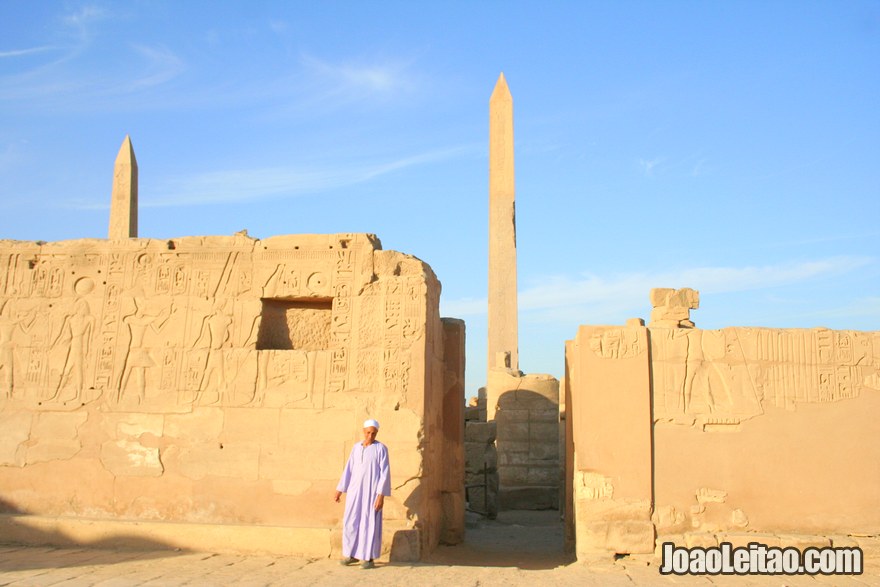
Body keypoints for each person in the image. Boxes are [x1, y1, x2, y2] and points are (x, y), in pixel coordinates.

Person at [335, 418, 391, 569]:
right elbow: (349, 469)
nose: (370, 436)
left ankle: (368, 558)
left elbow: (384, 474)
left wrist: (381, 496)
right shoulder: (356, 448)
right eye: (368, 433)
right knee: (351, 521)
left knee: (369, 523)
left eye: (373, 433)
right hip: (354, 492)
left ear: (377, 433)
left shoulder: (381, 449)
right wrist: (340, 489)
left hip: (371, 493)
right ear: (363, 431)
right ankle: (351, 554)